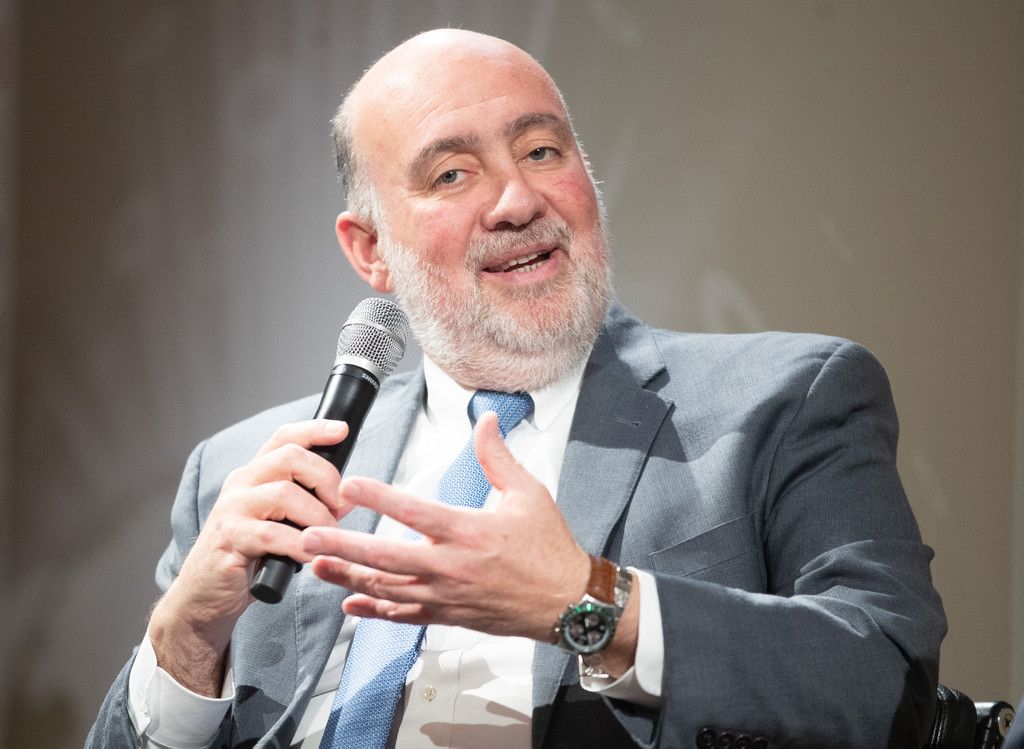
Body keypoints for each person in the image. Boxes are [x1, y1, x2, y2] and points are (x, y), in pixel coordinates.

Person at [89, 28, 946, 748]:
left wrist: (589, 601)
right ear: (371, 250)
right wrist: (183, 639)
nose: (516, 199)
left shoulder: (785, 399)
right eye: (452, 174)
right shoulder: (243, 474)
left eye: (542, 151)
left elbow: (884, 678)